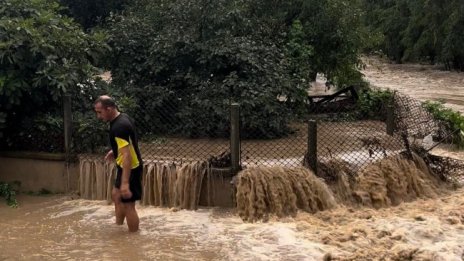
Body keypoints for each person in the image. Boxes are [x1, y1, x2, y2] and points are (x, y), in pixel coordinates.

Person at [94, 95, 143, 232]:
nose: (98, 116)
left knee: (128, 205)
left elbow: (127, 155)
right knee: (116, 195)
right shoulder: (122, 118)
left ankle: (134, 239)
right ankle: (119, 228)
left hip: (131, 168)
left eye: (100, 112)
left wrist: (125, 183)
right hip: (125, 166)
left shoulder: (119, 126)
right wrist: (114, 150)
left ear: (109, 109)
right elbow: (127, 144)